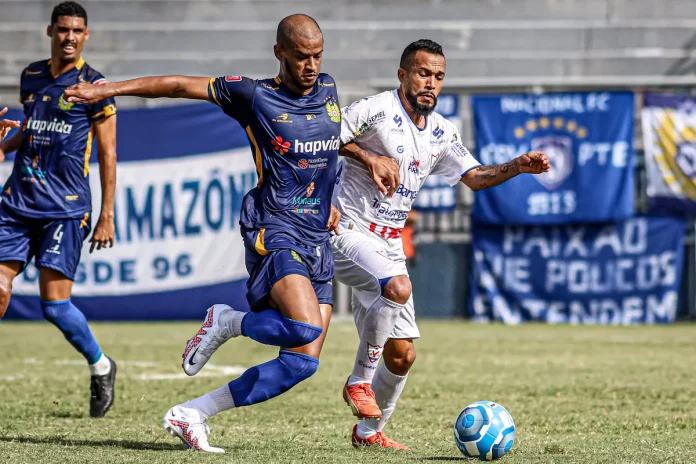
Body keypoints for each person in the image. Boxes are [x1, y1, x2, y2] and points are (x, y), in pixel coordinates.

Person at [65, 13, 397, 453]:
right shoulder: (253, 95)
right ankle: (230, 321)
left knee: (301, 365)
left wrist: (351, 171)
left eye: (317, 56)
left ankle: (192, 413)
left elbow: (325, 143)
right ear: (279, 53)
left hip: (317, 235)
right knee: (300, 327)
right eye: (301, 57)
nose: (311, 65)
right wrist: (107, 89)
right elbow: (179, 84)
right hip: (274, 227)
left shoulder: (330, 90)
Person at [333, 39, 550, 449]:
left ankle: (368, 434)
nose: (430, 83)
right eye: (422, 73)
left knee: (402, 357)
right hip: (347, 230)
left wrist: (517, 167)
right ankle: (358, 381)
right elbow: (324, 137)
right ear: (402, 75)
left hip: (388, 245)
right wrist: (369, 157)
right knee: (398, 287)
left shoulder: (442, 131)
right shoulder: (376, 109)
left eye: (438, 76)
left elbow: (474, 177)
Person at [0, 1, 117, 418]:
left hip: (65, 208)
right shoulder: (31, 75)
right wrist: (3, 145)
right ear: (50, 31)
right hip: (17, 201)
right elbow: (32, 127)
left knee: (55, 306)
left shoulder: (95, 84)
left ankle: (101, 365)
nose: (69, 37)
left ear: (86, 36)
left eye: (77, 31)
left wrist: (107, 214)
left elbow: (108, 153)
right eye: (63, 29)